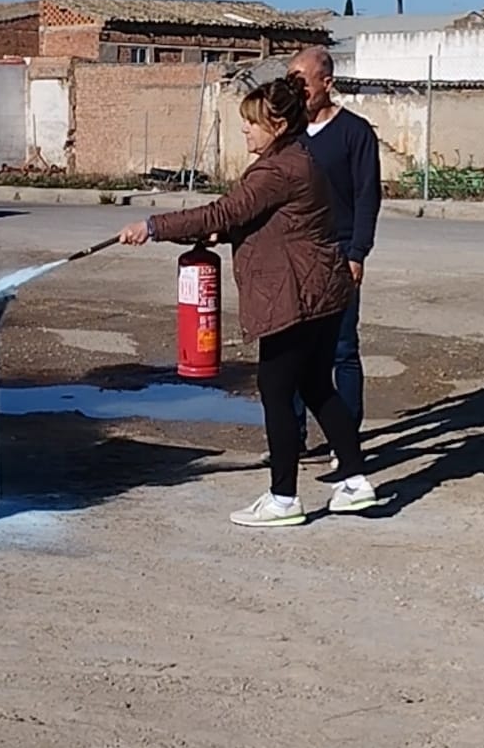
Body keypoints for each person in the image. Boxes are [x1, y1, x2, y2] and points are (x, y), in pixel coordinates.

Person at [117, 73, 379, 526]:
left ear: (276, 125)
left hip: (296, 296)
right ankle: (355, 481)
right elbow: (259, 220)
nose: (245, 131)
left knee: (276, 390)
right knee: (316, 385)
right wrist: (227, 231)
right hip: (319, 290)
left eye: (252, 124)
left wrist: (154, 227)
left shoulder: (278, 168)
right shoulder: (297, 158)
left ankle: (283, 498)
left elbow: (226, 210)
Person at [281, 46, 382, 468]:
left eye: (303, 80)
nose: (297, 88)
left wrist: (357, 253)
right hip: (297, 257)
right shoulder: (289, 134)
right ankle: (292, 438)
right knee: (294, 348)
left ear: (327, 82)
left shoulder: (355, 133)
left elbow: (366, 196)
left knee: (341, 349)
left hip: (339, 253)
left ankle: (346, 444)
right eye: (291, 80)